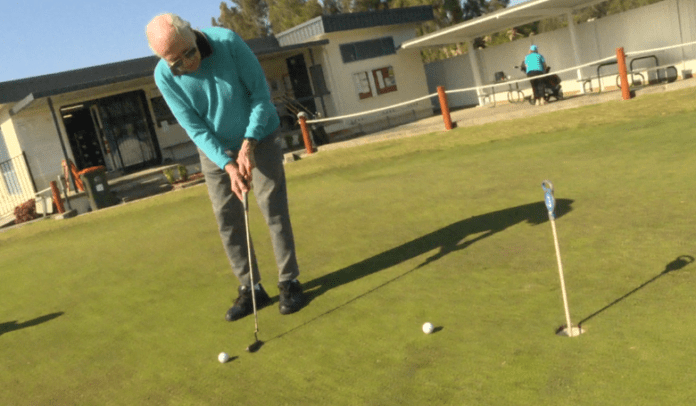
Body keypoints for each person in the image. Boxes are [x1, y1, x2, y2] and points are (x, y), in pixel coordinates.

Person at [145, 13, 304, 321]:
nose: (187, 63)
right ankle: (251, 288)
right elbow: (195, 128)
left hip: (260, 133)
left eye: (189, 52)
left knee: (271, 205)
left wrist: (249, 143)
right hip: (215, 147)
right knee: (226, 216)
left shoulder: (227, 42)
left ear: (192, 32)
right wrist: (228, 166)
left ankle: (289, 282)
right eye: (176, 62)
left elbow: (261, 96)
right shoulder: (164, 76)